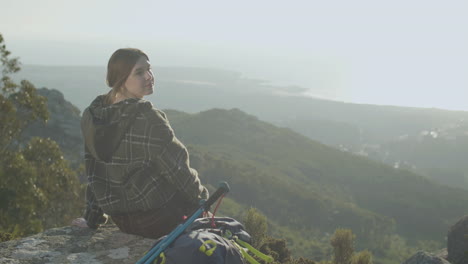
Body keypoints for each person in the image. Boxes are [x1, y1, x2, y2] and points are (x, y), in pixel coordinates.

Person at [71, 48, 209, 239]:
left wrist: (92, 218)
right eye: (139, 72)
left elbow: (95, 172)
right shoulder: (148, 118)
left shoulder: (92, 116)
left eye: (149, 69)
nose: (149, 76)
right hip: (160, 219)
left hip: (122, 221)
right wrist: (203, 201)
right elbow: (179, 172)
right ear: (120, 79)